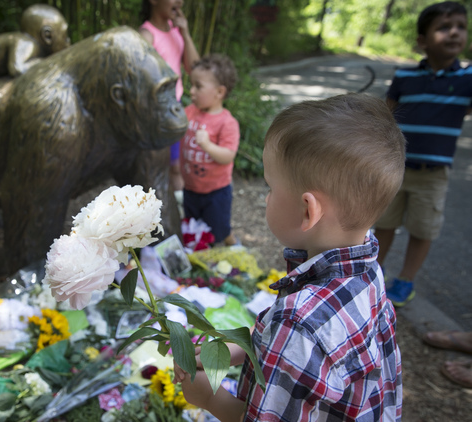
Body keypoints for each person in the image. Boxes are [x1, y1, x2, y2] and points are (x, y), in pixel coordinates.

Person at [173, 94, 405, 421]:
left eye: (270, 187)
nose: (265, 198)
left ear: (308, 210)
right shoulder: (367, 265)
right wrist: (236, 352)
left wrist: (209, 398)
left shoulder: (298, 320)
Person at [374, 1, 472, 307]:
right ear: (422, 40)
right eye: (444, 27)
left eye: (460, 27)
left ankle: (405, 281)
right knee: (384, 222)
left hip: (434, 175)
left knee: (422, 228)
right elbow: (386, 115)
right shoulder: (405, 77)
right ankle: (374, 272)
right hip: (396, 167)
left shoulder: (467, 80)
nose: (454, 33)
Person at [138, 0, 200, 199]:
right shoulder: (146, 35)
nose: (180, 2)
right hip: (156, 111)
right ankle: (150, 217)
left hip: (176, 106)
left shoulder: (176, 32)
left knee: (176, 167)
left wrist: (185, 33)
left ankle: (180, 219)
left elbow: (195, 69)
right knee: (154, 167)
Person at [179, 54, 239, 246]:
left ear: (219, 92)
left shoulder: (227, 123)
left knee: (216, 230)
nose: (192, 91)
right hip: (191, 188)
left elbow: (228, 155)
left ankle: (232, 245)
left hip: (216, 192)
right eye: (191, 85)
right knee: (194, 228)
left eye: (198, 86)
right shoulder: (189, 112)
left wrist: (207, 145)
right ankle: (201, 254)